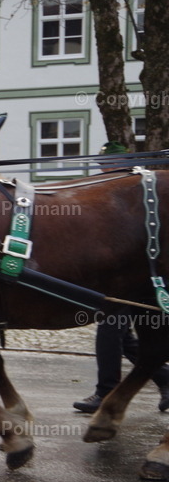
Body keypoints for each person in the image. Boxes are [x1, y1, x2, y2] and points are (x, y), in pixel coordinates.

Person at [73, 141, 169, 413]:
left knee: (110, 329)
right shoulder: (123, 186)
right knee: (123, 336)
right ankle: (163, 377)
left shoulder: (131, 188)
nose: (101, 170)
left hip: (134, 272)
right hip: (128, 271)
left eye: (105, 165)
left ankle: (106, 393)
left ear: (119, 163)